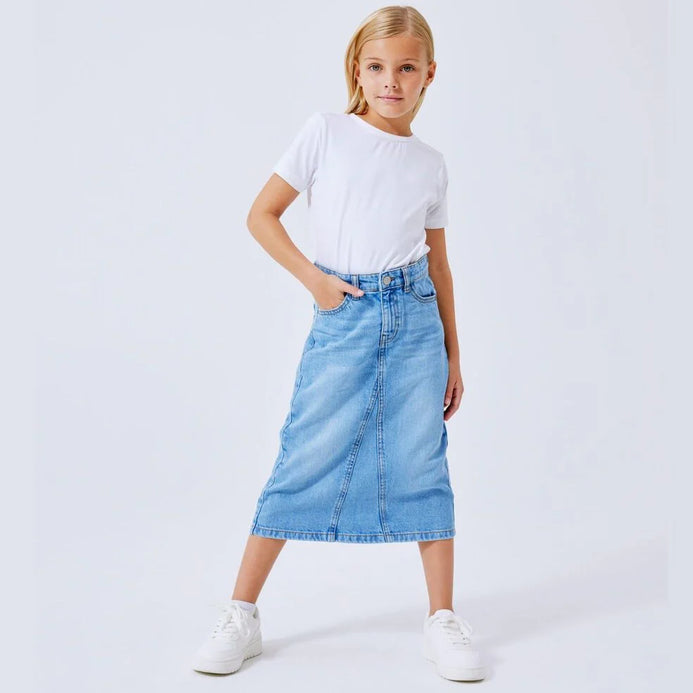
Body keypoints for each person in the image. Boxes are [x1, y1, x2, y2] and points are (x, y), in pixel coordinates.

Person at [192, 5, 487, 682]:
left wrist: (453, 353)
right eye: (377, 67)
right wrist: (315, 281)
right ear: (357, 70)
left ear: (429, 75)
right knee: (304, 451)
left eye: (406, 68)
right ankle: (242, 612)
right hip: (345, 314)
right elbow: (261, 215)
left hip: (414, 322)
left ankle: (441, 617)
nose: (391, 81)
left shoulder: (430, 164)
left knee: (421, 459)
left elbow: (439, 265)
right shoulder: (325, 132)